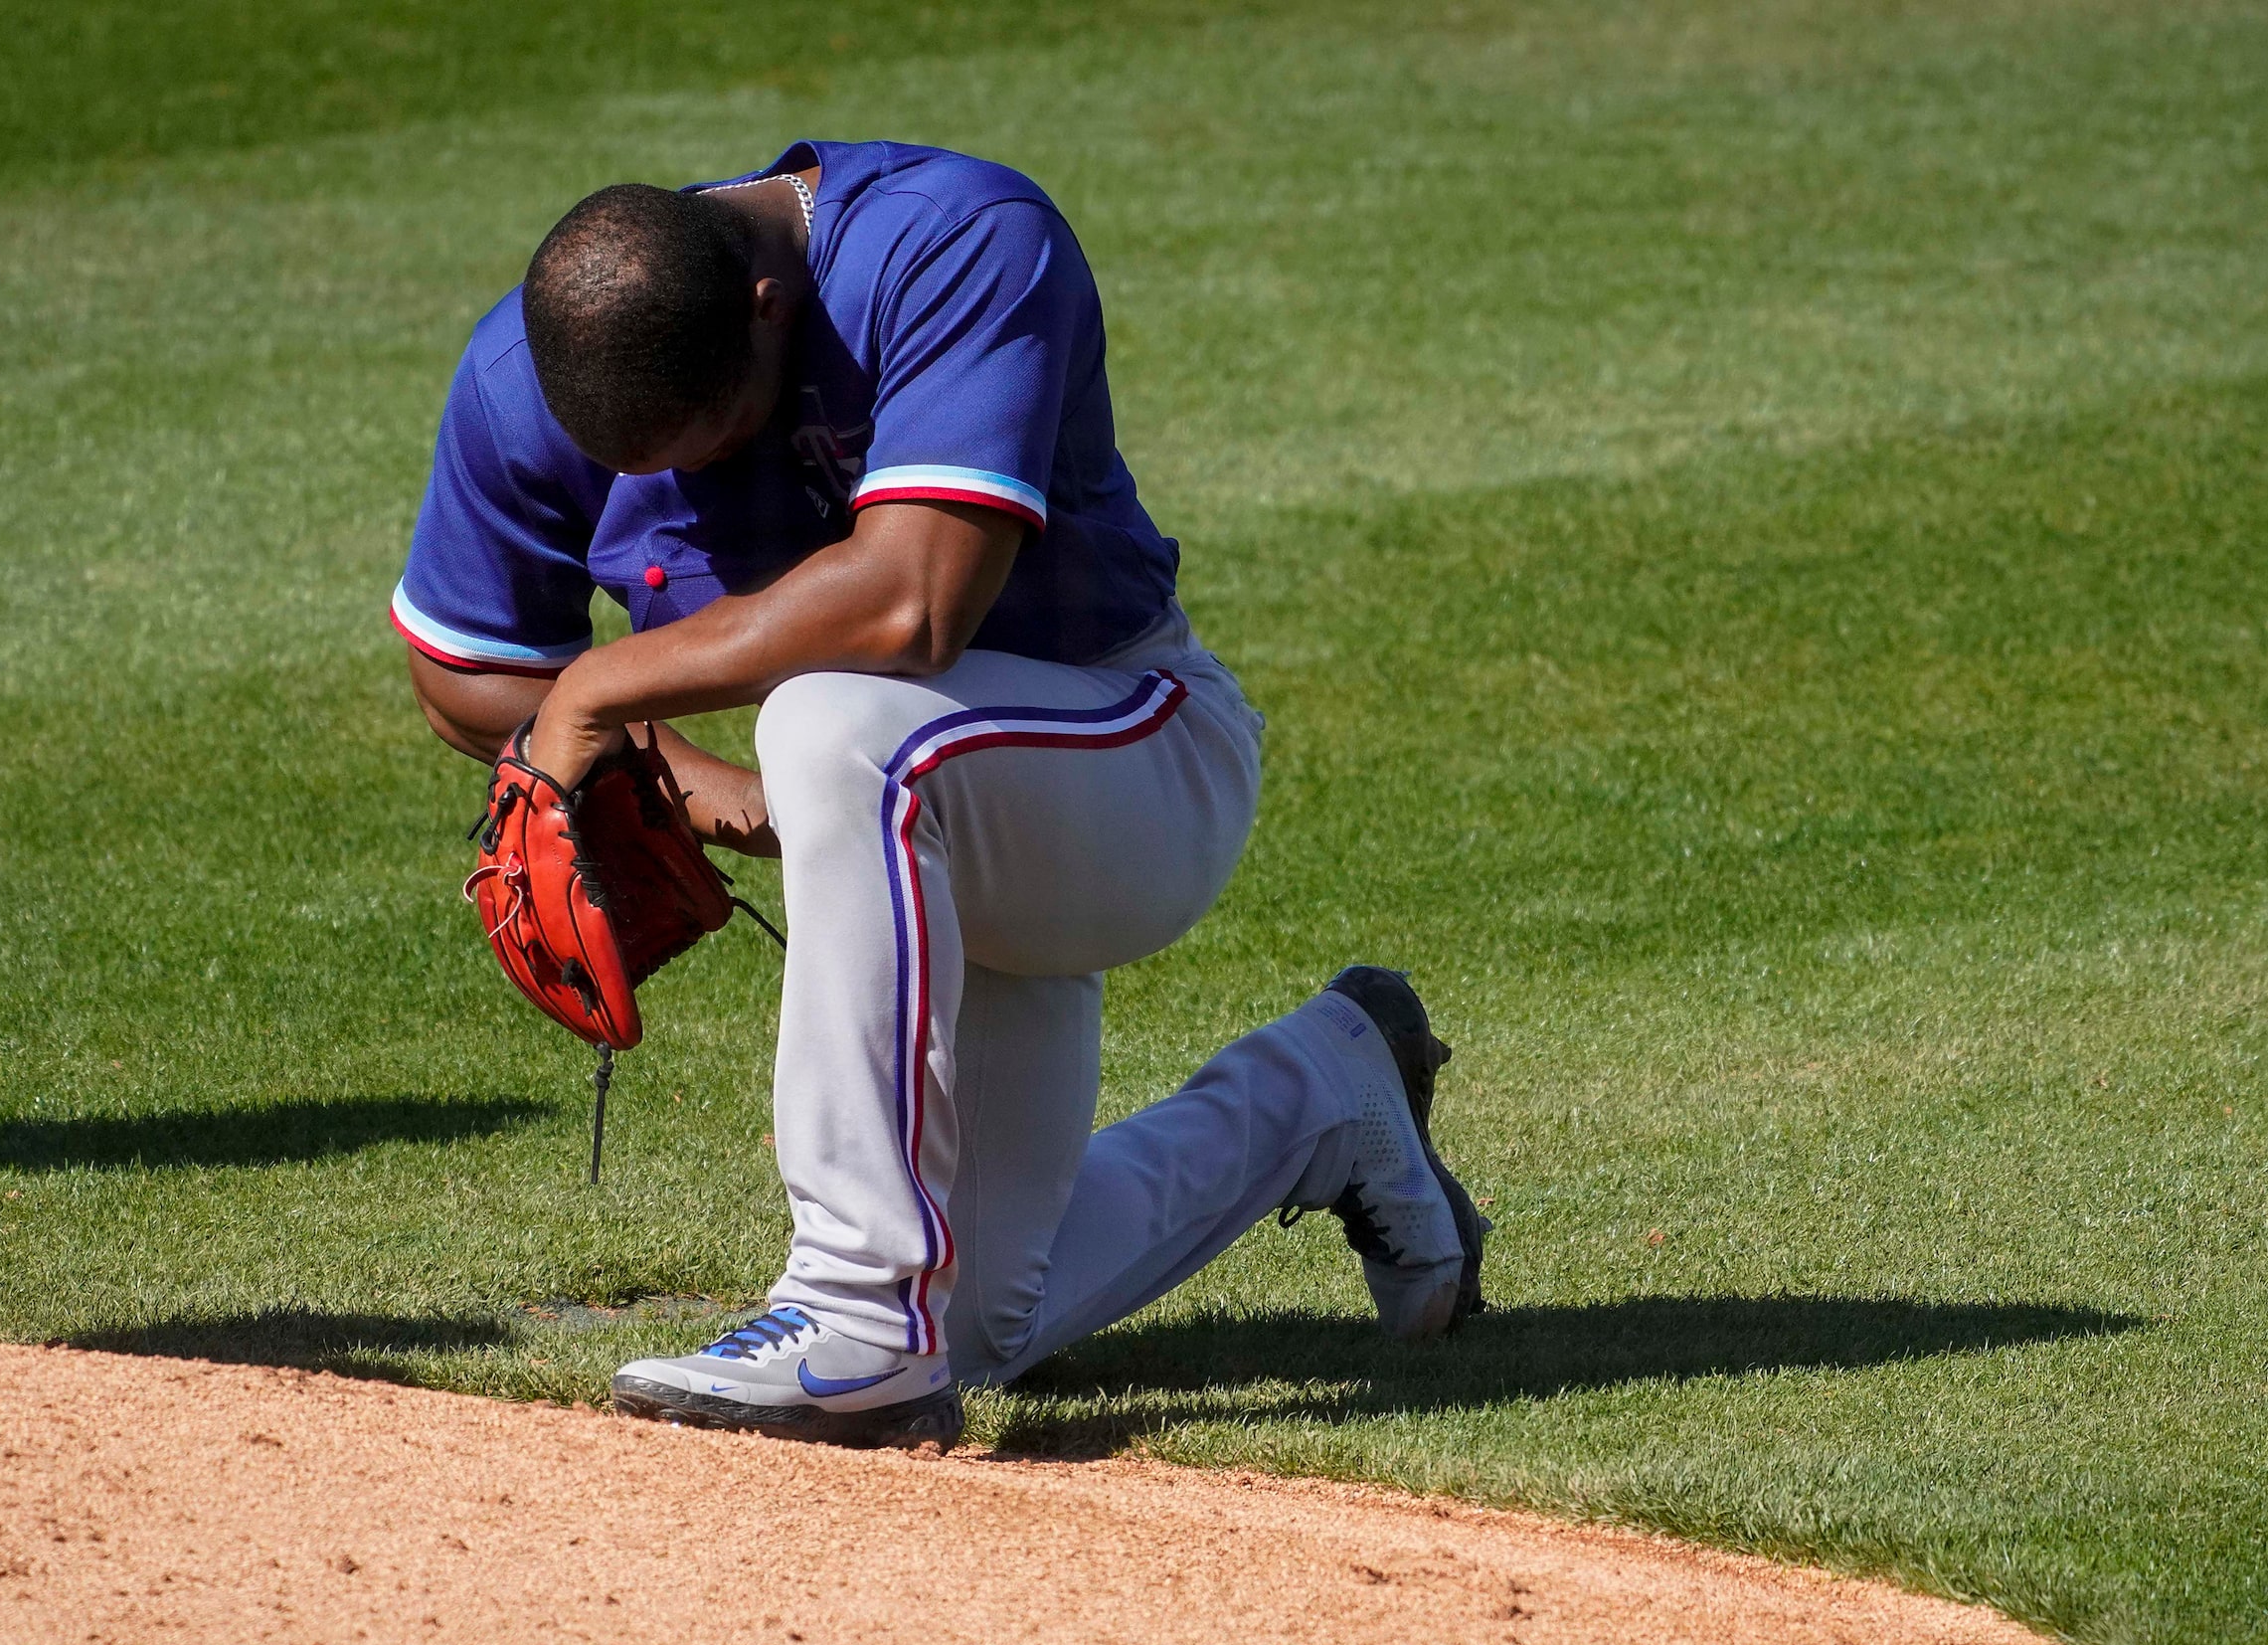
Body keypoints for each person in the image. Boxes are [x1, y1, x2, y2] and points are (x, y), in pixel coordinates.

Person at [392, 139, 1486, 1449]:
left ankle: (854, 1300)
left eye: (715, 433)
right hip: (908, 812)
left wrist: (597, 694)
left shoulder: (951, 241)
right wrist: (686, 781)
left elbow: (915, 603)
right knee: (980, 1323)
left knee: (832, 720)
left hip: (1128, 760)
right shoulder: (530, 371)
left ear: (765, 302)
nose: (682, 478)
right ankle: (1325, 1093)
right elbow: (466, 666)